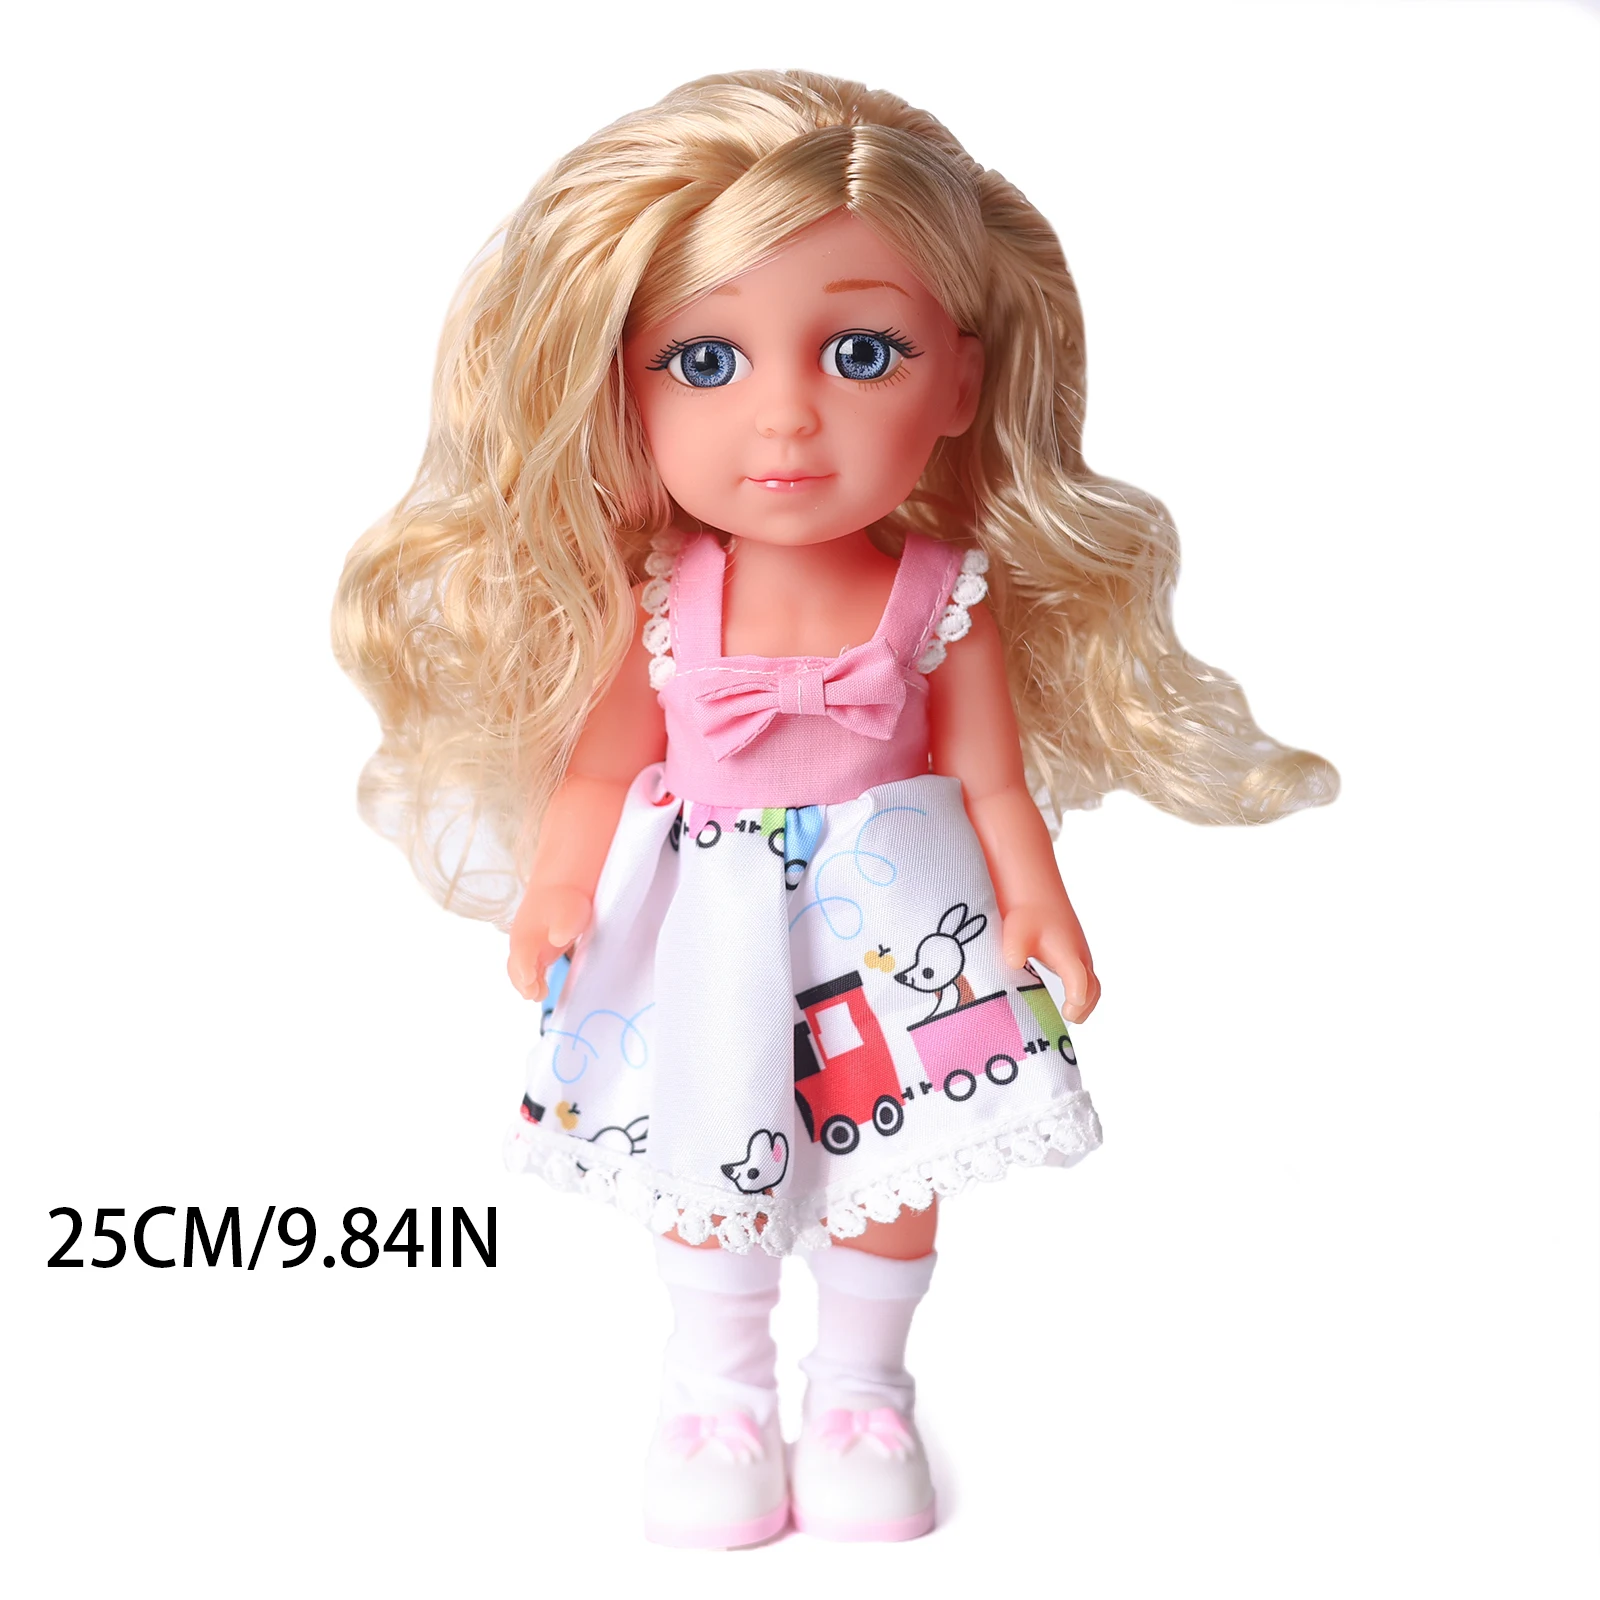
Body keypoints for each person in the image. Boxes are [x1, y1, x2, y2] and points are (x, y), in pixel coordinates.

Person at [333, 68, 1336, 1549]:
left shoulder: (946, 596)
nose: (787, 416)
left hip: (900, 912)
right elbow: (604, 769)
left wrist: (1038, 898)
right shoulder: (661, 596)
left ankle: (864, 1388)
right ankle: (718, 1392)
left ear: (961, 384)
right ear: (620, 386)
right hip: (709, 920)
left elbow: (990, 777)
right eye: (705, 360)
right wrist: (555, 889)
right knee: (708, 1148)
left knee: (895, 1151)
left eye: (863, 352)